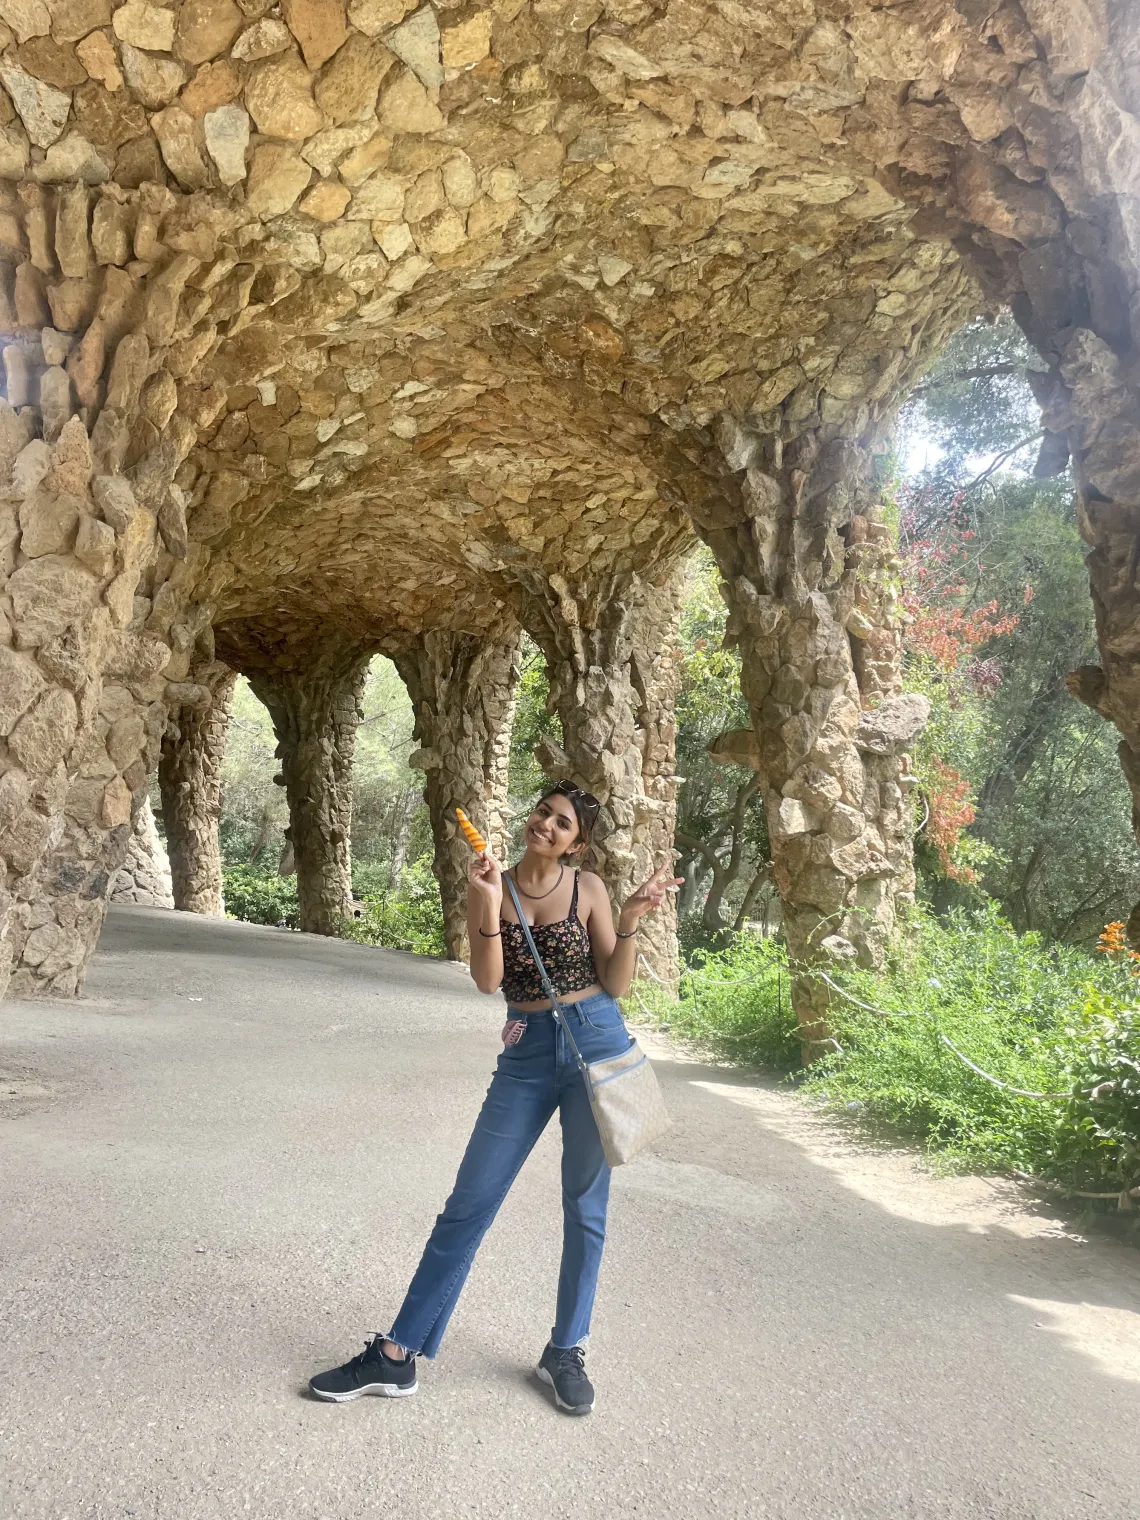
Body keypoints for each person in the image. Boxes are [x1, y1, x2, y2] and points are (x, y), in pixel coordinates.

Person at [309, 780, 681, 1415]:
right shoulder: (494, 884)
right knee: (468, 1204)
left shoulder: (588, 889)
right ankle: (396, 1357)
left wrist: (631, 919)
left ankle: (566, 1350)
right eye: (543, 813)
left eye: (563, 823)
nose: (547, 825)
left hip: (595, 1043)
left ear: (577, 843)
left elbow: (614, 983)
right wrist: (484, 902)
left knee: (585, 1208)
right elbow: (489, 981)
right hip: (527, 1052)